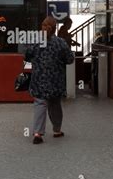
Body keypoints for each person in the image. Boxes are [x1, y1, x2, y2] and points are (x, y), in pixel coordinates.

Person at [24, 16, 75, 145]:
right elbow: (70, 59)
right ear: (54, 28)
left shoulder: (35, 42)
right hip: (55, 80)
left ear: (42, 27)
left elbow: (27, 57)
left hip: (39, 79)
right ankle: (57, 130)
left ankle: (37, 133)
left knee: (40, 103)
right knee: (55, 104)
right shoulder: (60, 43)